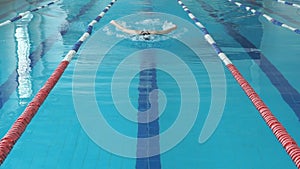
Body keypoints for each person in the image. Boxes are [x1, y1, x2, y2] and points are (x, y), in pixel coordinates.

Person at [110, 20, 177, 40]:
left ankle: (113, 22)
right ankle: (113, 22)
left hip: (141, 33)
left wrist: (173, 28)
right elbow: (165, 32)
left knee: (124, 30)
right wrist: (173, 28)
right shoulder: (153, 33)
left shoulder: (138, 33)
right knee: (162, 32)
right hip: (142, 33)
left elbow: (123, 29)